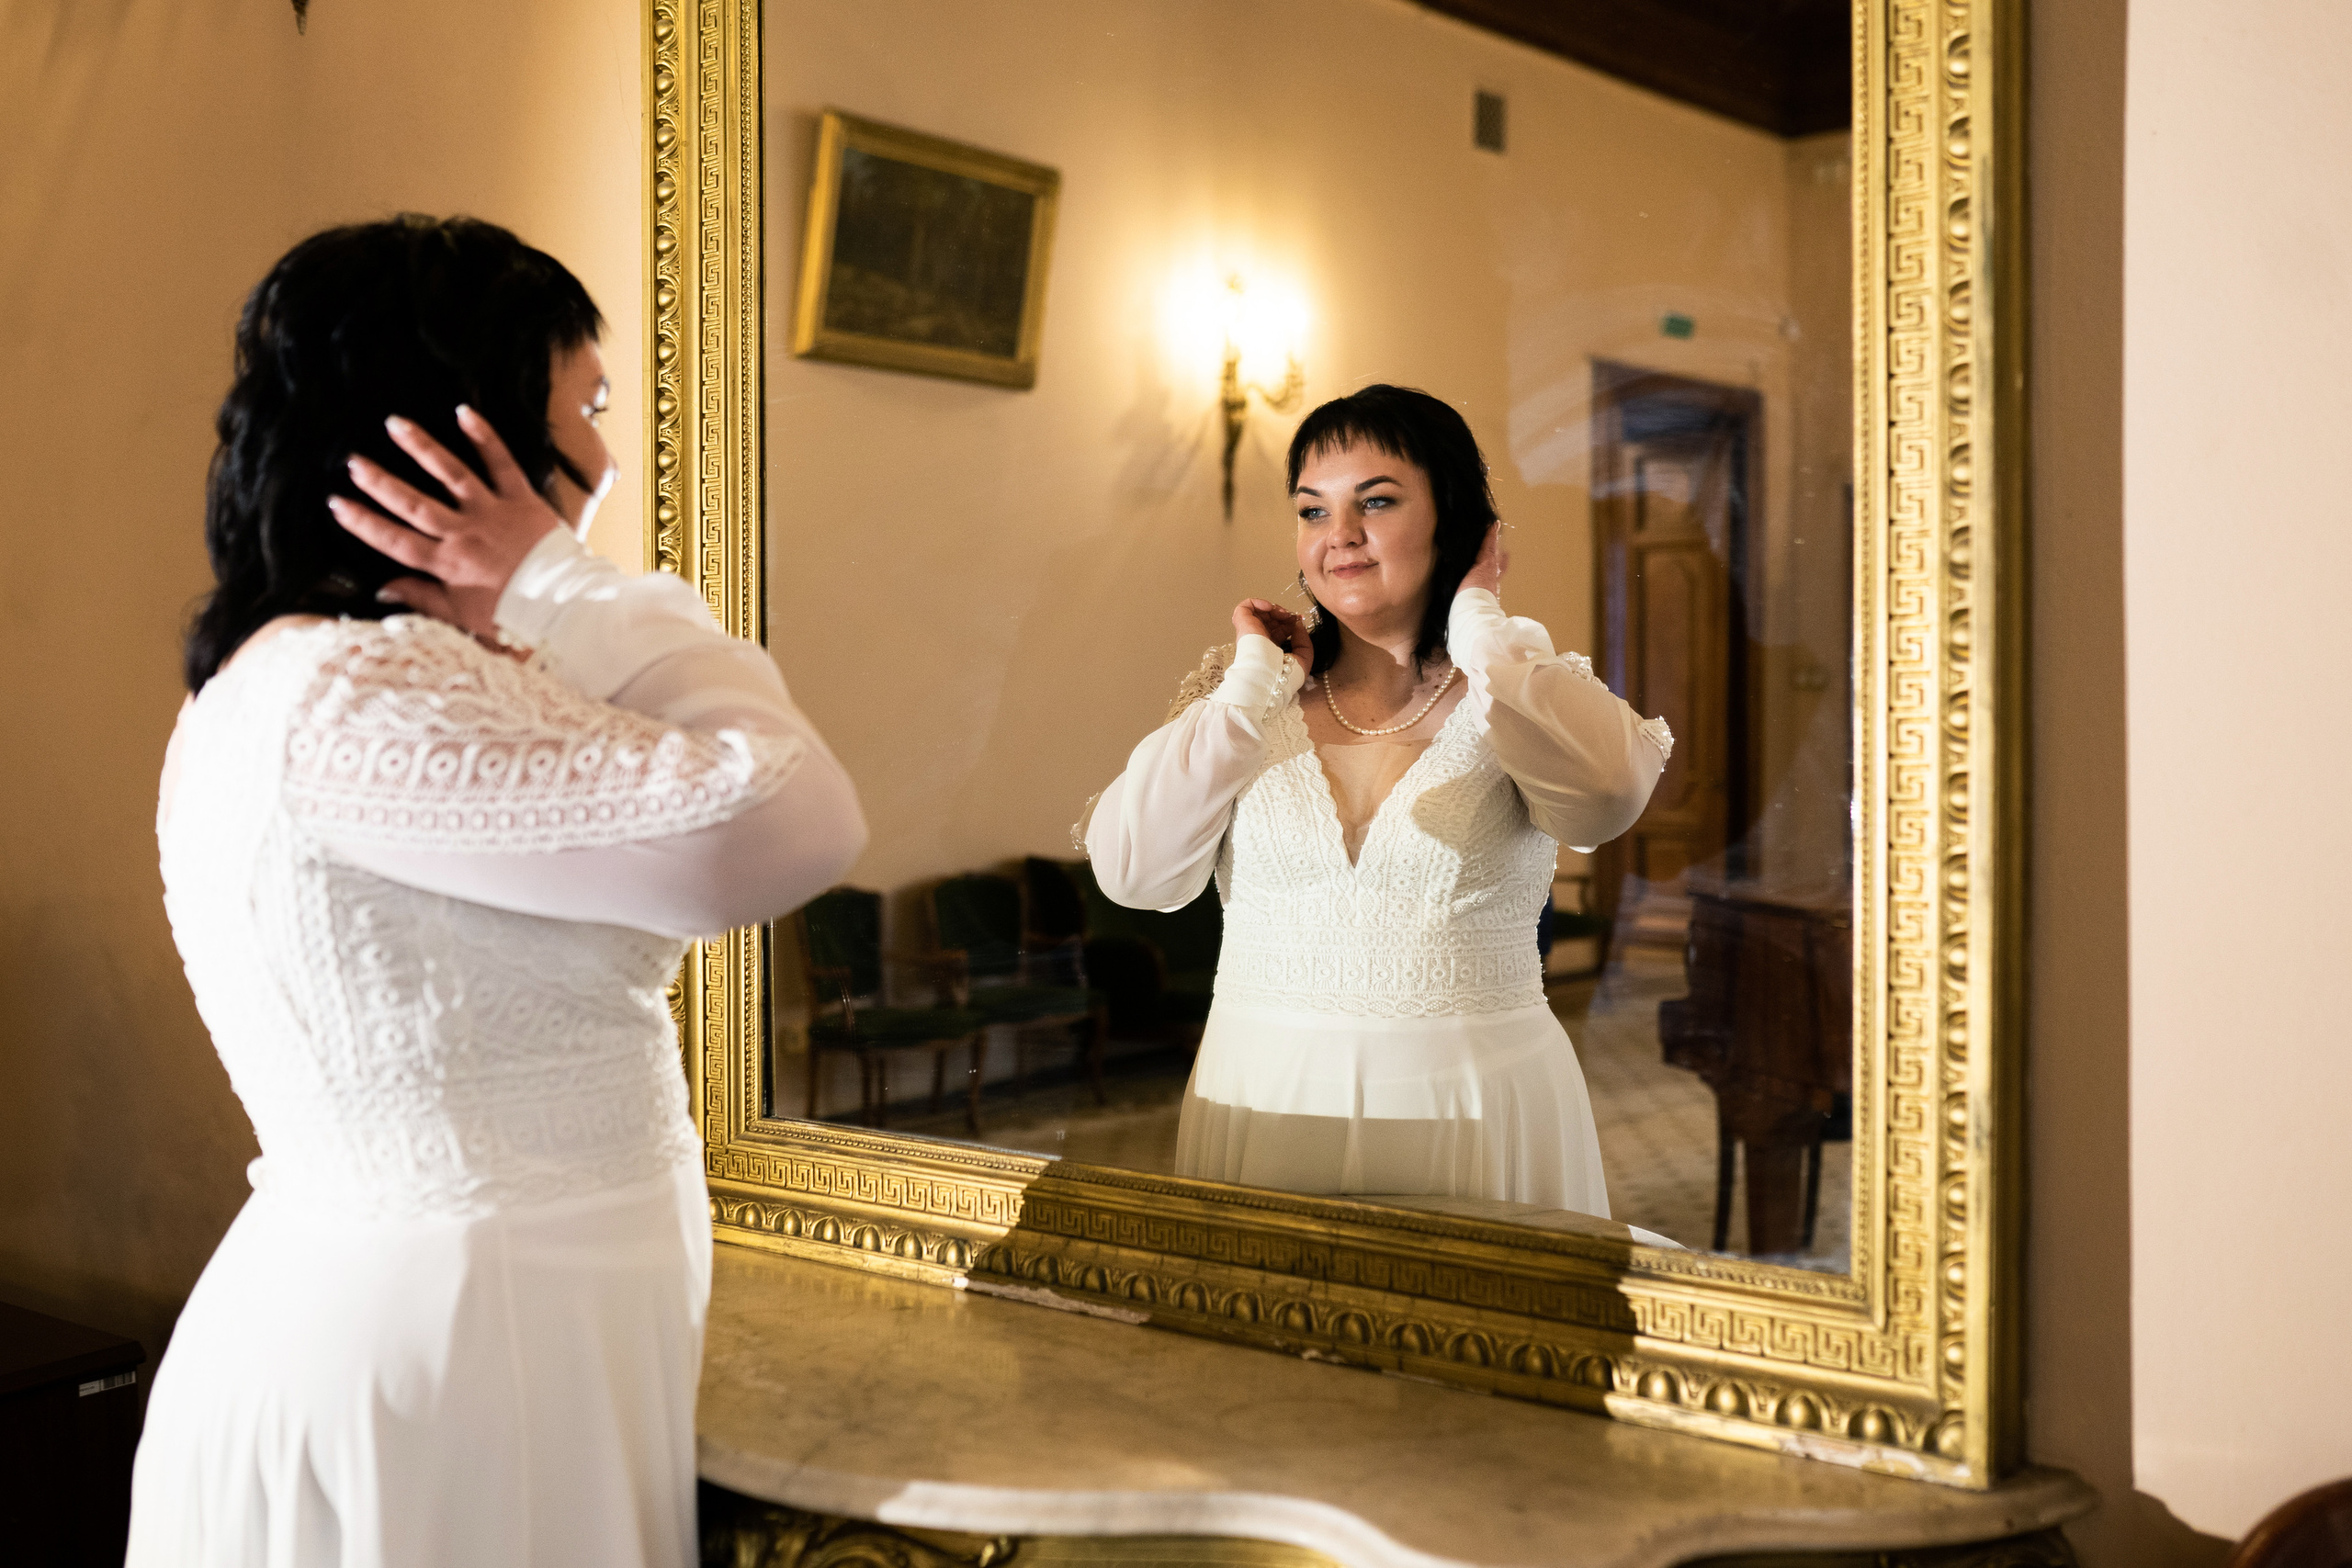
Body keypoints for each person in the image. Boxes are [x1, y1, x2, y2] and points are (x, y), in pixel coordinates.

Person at [132, 216, 865, 1567]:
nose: (606, 458)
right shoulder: (361, 691)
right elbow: (791, 818)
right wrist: (555, 577)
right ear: (464, 439)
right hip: (468, 1369)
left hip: (484, 1333)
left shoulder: (321, 676)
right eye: (588, 403)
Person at [1083, 385, 1669, 1215]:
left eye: (1378, 501)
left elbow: (1604, 801)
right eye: (1313, 510)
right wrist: (1250, 683)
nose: (1340, 535)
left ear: (1456, 520)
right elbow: (1136, 875)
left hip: (1477, 1102)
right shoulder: (1246, 702)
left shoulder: (1517, 690)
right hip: (1259, 1093)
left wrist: (1479, 624)